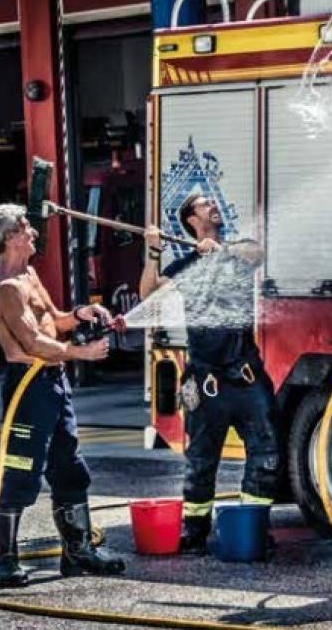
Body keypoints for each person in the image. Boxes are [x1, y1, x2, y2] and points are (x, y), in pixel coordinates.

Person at [0, 203, 126, 587]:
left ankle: (78, 553)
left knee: (69, 467)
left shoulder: (28, 274)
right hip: (28, 387)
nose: (33, 232)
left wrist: (80, 314)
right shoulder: (6, 288)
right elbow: (32, 342)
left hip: (53, 383)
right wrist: (82, 353)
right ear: (10, 237)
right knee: (20, 471)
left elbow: (53, 321)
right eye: (25, 227)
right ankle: (4, 562)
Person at [141, 190, 278, 555]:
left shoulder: (237, 252)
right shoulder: (186, 266)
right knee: (201, 460)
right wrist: (153, 252)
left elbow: (256, 254)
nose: (213, 205)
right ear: (191, 219)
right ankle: (195, 530)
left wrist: (221, 252)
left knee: (266, 454)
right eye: (204, 204)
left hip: (247, 377)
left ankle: (254, 527)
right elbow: (149, 295)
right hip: (205, 381)